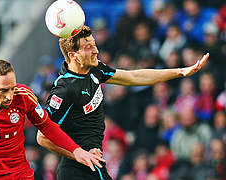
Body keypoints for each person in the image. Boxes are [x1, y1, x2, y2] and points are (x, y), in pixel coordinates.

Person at [36, 25, 209, 180]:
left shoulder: (96, 70)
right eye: (88, 47)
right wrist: (78, 154)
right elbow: (42, 137)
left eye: (94, 44)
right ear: (73, 55)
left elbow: (134, 76)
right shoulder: (64, 89)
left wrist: (179, 72)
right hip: (76, 170)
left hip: (92, 164)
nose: (96, 50)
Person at [0, 60, 104, 180]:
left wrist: (76, 150)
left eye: (12, 88)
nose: (10, 95)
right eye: (3, 90)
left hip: (21, 174)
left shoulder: (23, 95)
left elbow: (46, 125)